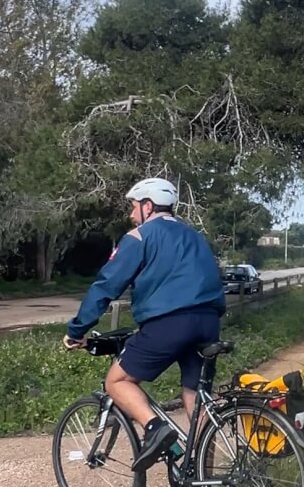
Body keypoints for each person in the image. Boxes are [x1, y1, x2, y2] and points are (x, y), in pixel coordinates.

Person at [63, 177, 226, 472]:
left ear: (148, 206)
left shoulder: (140, 236)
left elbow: (106, 286)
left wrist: (77, 330)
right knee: (194, 396)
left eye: (133, 206)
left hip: (170, 323)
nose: (131, 214)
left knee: (117, 381)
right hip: (209, 322)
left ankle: (155, 428)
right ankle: (203, 474)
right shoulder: (195, 237)